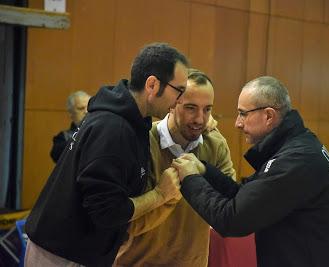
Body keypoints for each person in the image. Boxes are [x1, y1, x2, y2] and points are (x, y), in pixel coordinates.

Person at [25, 43, 189, 267]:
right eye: (178, 90)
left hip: (69, 251)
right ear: (152, 84)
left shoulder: (126, 119)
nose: (180, 100)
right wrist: (161, 194)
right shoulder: (114, 129)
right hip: (65, 255)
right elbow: (108, 212)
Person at [172, 76, 329, 267]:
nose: (237, 123)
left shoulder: (295, 161)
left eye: (243, 114)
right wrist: (204, 171)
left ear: (269, 116)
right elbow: (244, 195)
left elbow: (232, 219)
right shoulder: (297, 146)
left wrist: (189, 178)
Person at [114, 69, 236, 267]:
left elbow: (228, 208)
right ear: (171, 104)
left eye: (207, 109)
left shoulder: (215, 144)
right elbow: (130, 223)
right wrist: (167, 195)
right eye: (190, 108)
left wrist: (196, 180)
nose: (199, 119)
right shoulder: (142, 140)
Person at [50, 90, 91, 163]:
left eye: (88, 108)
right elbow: (57, 156)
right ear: (71, 113)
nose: (86, 112)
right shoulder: (63, 138)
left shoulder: (101, 132)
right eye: (81, 108)